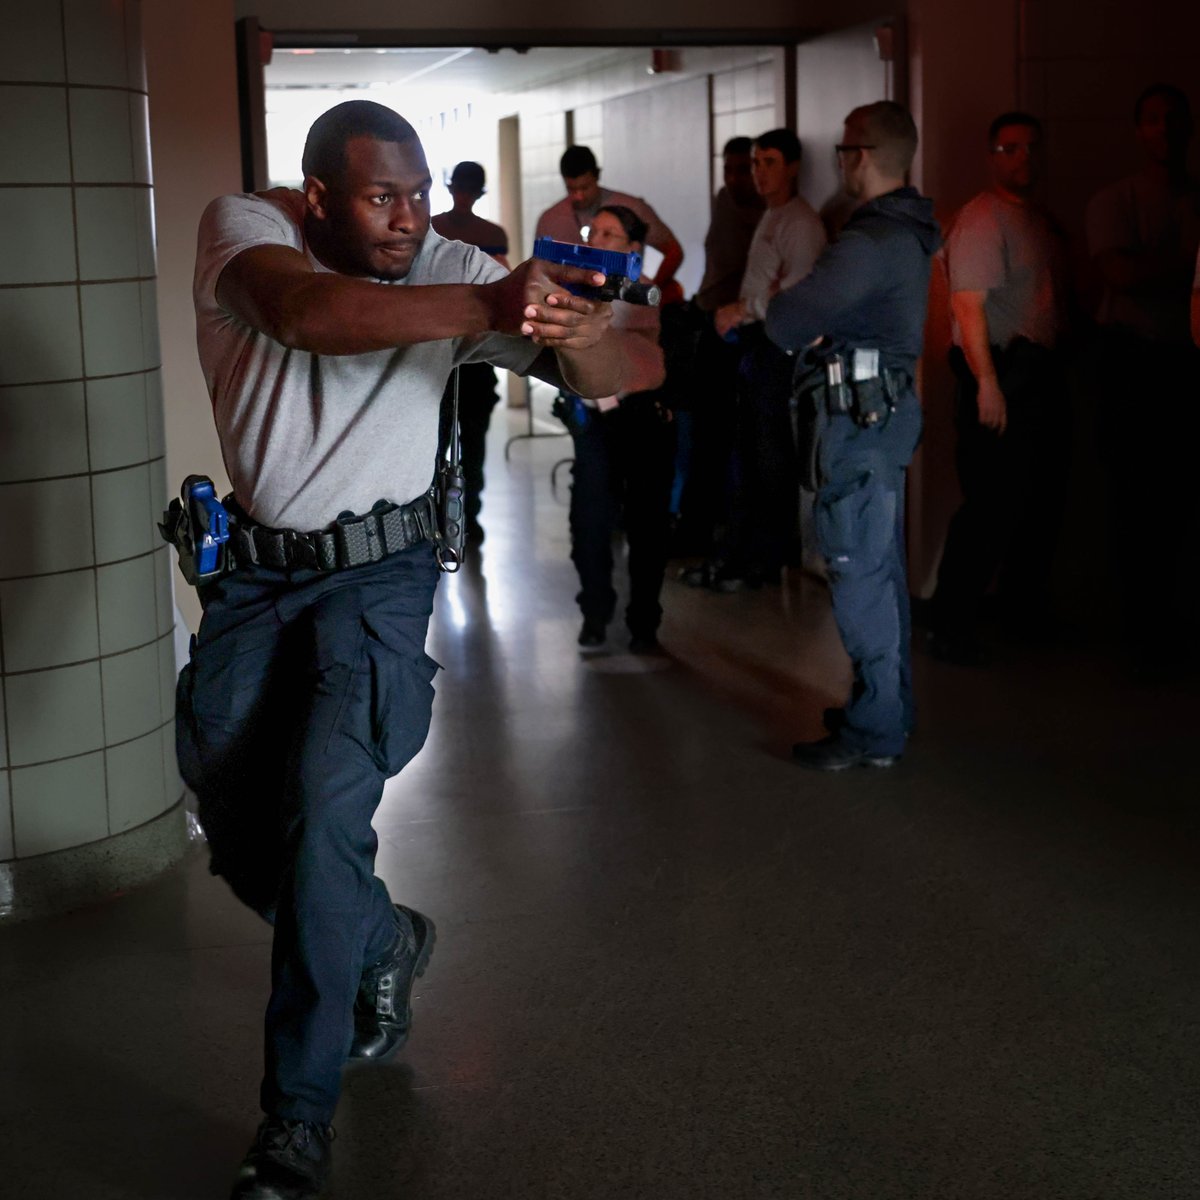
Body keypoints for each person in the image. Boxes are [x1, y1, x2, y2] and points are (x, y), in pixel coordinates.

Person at [180, 100, 639, 1200]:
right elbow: (306, 313)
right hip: (257, 572)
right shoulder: (248, 228)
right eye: (381, 197)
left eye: (420, 194)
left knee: (325, 809)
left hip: (378, 582)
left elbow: (617, 372)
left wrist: (579, 337)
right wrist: (485, 295)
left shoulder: (440, 258)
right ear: (319, 197)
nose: (408, 219)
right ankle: (384, 942)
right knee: (228, 802)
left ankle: (295, 1115)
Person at [765, 101, 941, 771]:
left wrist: (802, 305)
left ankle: (873, 733)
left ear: (862, 156)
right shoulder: (908, 230)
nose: (838, 161)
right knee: (879, 571)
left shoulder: (869, 243)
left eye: (842, 149)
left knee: (858, 574)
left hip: (860, 425)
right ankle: (886, 711)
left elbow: (786, 318)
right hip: (884, 420)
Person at [928, 112, 1073, 664]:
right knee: (991, 505)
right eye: (1010, 148)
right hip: (1003, 376)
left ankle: (1021, 614)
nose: (1022, 158)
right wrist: (988, 386)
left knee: (1038, 504)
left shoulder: (1037, 219)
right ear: (992, 156)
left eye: (1031, 148)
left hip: (1038, 375)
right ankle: (950, 623)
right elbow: (968, 307)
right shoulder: (984, 220)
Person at [1085, 83, 1200, 672]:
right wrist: (1181, 262)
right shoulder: (1117, 200)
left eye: (1173, 119)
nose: (1164, 130)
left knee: (1181, 500)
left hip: (1186, 361)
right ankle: (1142, 633)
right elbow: (1122, 275)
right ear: (1138, 130)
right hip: (1135, 362)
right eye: (1152, 120)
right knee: (1137, 499)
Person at [687, 128, 826, 590]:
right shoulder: (772, 215)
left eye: (768, 162)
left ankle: (763, 562)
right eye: (755, 163)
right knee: (743, 457)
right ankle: (739, 555)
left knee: (768, 461)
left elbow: (800, 295)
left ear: (791, 167)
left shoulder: (801, 223)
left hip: (779, 350)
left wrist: (745, 309)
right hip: (753, 345)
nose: (759, 172)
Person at [562, 205, 670, 651]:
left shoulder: (643, 294)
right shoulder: (571, 288)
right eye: (594, 232)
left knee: (647, 526)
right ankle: (594, 613)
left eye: (610, 234)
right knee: (588, 523)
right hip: (594, 422)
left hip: (640, 418)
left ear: (633, 248)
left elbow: (628, 354)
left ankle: (645, 624)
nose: (598, 240)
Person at [679, 136, 765, 556]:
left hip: (739, 330)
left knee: (732, 440)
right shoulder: (724, 200)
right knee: (702, 435)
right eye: (727, 169)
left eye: (743, 170)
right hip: (707, 319)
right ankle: (697, 531)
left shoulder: (773, 215)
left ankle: (731, 537)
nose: (733, 179)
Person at [431, 161, 510, 543]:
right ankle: (452, 519)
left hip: (459, 350)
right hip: (449, 351)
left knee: (463, 444)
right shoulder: (477, 232)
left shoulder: (437, 228)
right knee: (446, 443)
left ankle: (460, 519)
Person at [535, 144, 684, 300]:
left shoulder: (632, 207)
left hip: (626, 308)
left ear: (597, 176)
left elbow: (673, 250)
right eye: (571, 189)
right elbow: (538, 269)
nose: (579, 196)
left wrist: (653, 292)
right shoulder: (550, 219)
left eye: (585, 187)